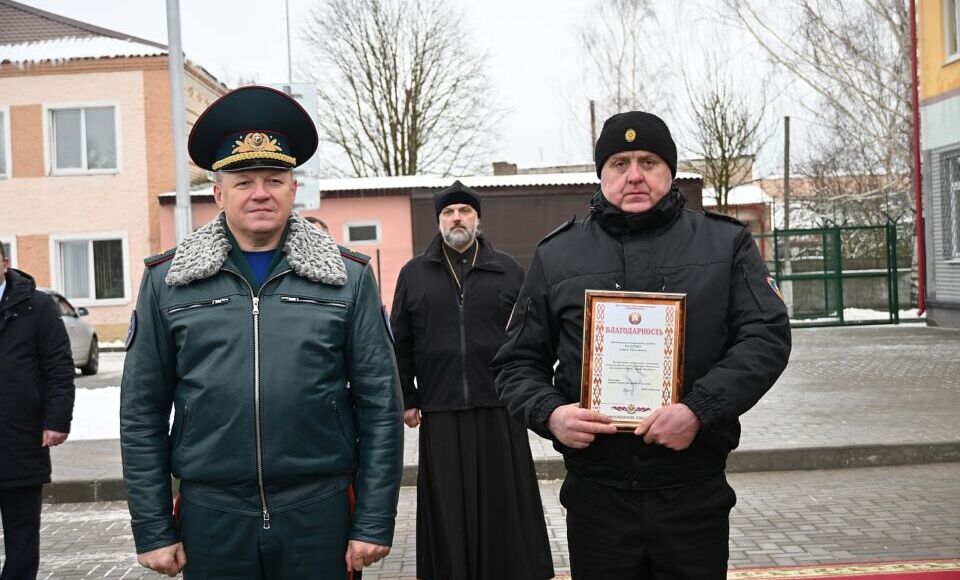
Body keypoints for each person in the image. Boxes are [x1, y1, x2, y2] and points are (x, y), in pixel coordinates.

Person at [120, 85, 403, 579]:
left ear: (293, 189)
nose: (260, 193)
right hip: (211, 517)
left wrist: (374, 521)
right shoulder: (168, 281)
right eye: (244, 181)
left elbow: (381, 406)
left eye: (274, 179)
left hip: (319, 513)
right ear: (219, 193)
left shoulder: (348, 278)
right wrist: (152, 527)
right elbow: (141, 412)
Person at [493, 111, 791, 579]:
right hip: (598, 498)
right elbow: (515, 363)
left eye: (649, 161)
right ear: (602, 173)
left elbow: (766, 337)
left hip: (692, 492)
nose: (634, 175)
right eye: (620, 163)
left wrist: (698, 410)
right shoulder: (557, 255)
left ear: (670, 171)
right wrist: (551, 414)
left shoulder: (725, 243)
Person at [390, 180, 554, 580]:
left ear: (477, 220)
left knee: (503, 504)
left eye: (464, 211)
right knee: (447, 506)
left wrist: (530, 393)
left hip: (500, 405)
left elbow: (531, 336)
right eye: (448, 212)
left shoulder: (508, 270)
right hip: (440, 407)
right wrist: (407, 398)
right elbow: (400, 343)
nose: (457, 218)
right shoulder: (414, 274)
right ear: (439, 221)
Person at [0, 244, 75, 580]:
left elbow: (59, 367)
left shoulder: (38, 306)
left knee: (22, 538)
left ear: (4, 263)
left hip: (21, 440)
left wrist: (57, 420)